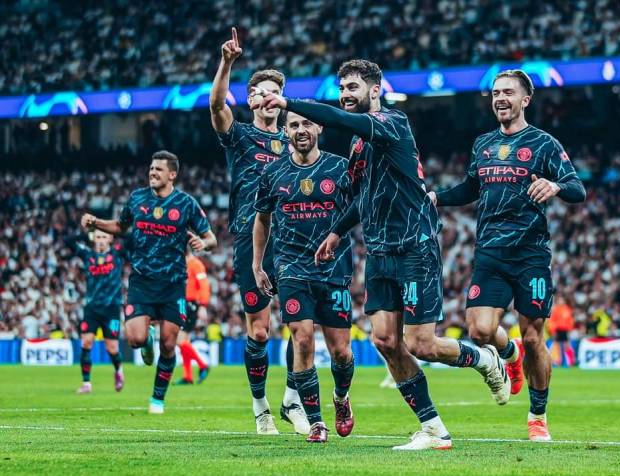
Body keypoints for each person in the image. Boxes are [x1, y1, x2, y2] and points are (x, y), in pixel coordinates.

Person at [253, 59, 509, 451]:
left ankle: (484, 360)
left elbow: (343, 120)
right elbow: (363, 197)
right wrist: (337, 232)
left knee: (421, 344)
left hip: (414, 246)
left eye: (352, 87)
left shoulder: (392, 123)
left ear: (375, 90)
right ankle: (434, 430)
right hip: (378, 250)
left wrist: (287, 103)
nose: (345, 94)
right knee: (386, 341)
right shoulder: (358, 145)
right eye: (342, 88)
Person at [429, 69, 586, 441]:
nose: (500, 98)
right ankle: (509, 354)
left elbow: (577, 189)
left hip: (531, 255)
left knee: (534, 337)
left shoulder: (544, 143)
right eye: (496, 93)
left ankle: (537, 416)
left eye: (508, 93)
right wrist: (437, 196)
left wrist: (555, 185)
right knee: (479, 330)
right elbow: (470, 188)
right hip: (490, 252)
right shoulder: (483, 144)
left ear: (525, 100)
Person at [209, 27, 308, 435]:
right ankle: (260, 407)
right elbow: (217, 106)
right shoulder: (240, 136)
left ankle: (291, 399)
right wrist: (226, 62)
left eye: (274, 92)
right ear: (250, 100)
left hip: (292, 241)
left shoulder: (296, 142)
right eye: (261, 92)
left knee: (300, 327)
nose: (267, 98)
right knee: (261, 330)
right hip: (250, 241)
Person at [80, 150, 217, 414]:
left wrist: (204, 243)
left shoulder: (186, 203)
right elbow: (121, 227)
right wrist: (96, 222)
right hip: (141, 281)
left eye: (158, 169)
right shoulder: (137, 198)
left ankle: (157, 399)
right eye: (151, 168)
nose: (152, 172)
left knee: (169, 344)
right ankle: (146, 339)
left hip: (173, 284)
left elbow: (211, 238)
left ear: (172, 174)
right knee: (135, 339)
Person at [253, 110, 356, 443]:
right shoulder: (273, 172)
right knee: (302, 339)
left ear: (319, 126)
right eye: (294, 125)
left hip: (335, 269)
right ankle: (315, 422)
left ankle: (341, 397)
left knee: (341, 352)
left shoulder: (341, 168)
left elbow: (361, 207)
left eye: (307, 123)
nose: (301, 130)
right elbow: (262, 219)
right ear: (285, 131)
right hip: (291, 269)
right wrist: (257, 264)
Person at [67, 230, 125, 394]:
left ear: (110, 239)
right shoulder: (88, 255)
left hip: (111, 308)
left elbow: (133, 238)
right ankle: (86, 383)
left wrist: (115, 230)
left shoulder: (117, 254)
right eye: (98, 237)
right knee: (86, 343)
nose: (100, 240)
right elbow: (68, 241)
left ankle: (119, 371)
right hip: (92, 308)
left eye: (104, 237)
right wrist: (86, 234)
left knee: (112, 348)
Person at [175, 253, 211, 385]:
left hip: (191, 305)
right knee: (184, 341)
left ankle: (203, 365)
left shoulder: (196, 264)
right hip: (184, 304)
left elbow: (204, 285)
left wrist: (203, 305)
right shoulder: (183, 264)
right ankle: (188, 376)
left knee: (180, 341)